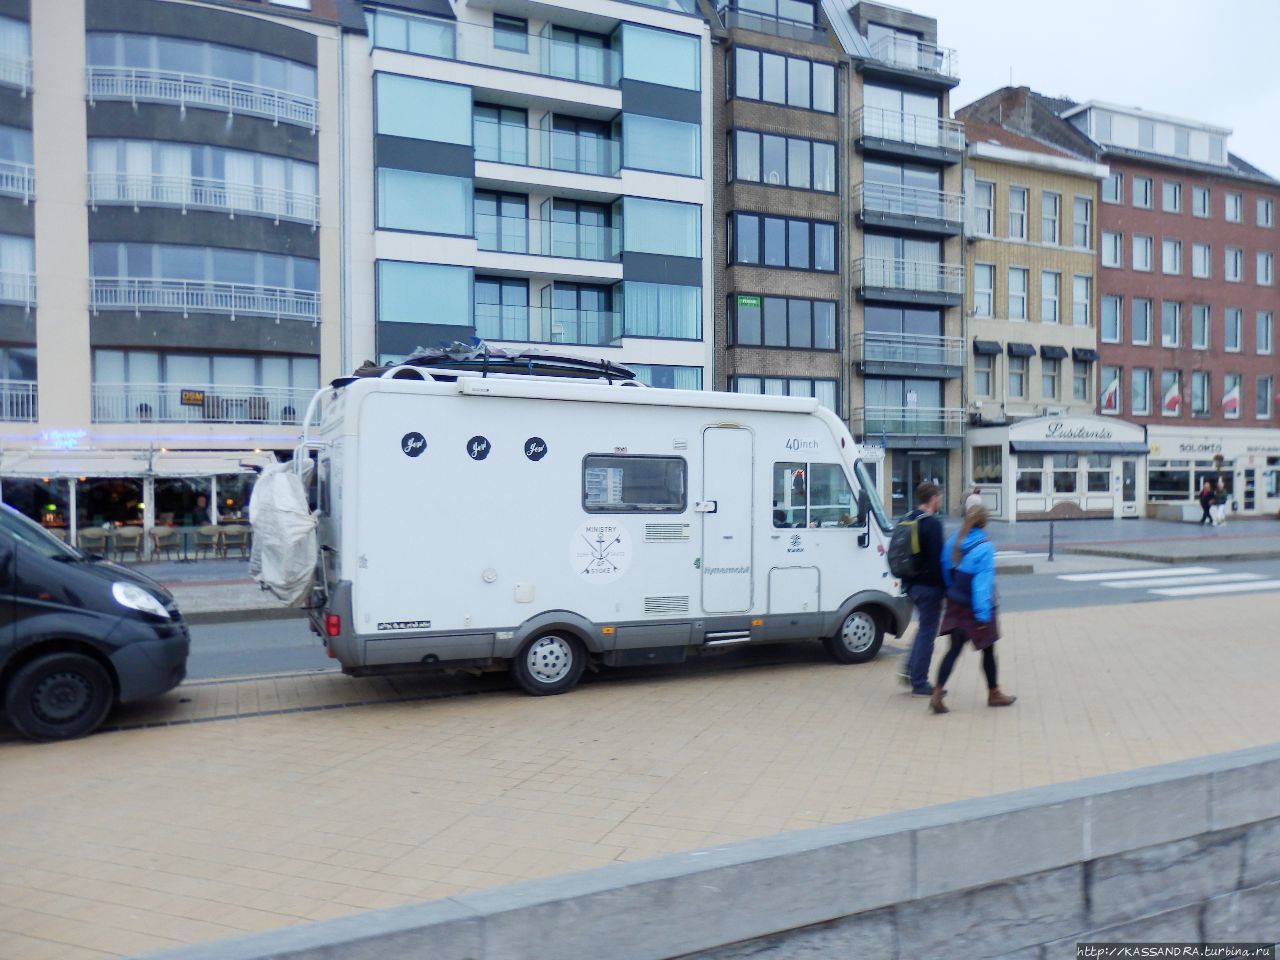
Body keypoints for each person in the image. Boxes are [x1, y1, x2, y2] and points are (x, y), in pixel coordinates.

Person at [929, 504, 1016, 714]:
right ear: (985, 523)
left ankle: (937, 692)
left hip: (955, 603)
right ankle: (994, 693)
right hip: (974, 607)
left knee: (954, 650)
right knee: (988, 650)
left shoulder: (954, 541)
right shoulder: (985, 547)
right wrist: (983, 616)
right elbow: (981, 585)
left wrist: (951, 589)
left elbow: (944, 566)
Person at [899, 481, 945, 697]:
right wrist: (946, 590)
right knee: (928, 632)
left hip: (910, 584)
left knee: (923, 628)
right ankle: (920, 682)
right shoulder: (932, 524)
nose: (940, 501)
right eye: (939, 497)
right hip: (929, 587)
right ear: (933, 498)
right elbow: (939, 562)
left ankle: (910, 669)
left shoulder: (908, 518)